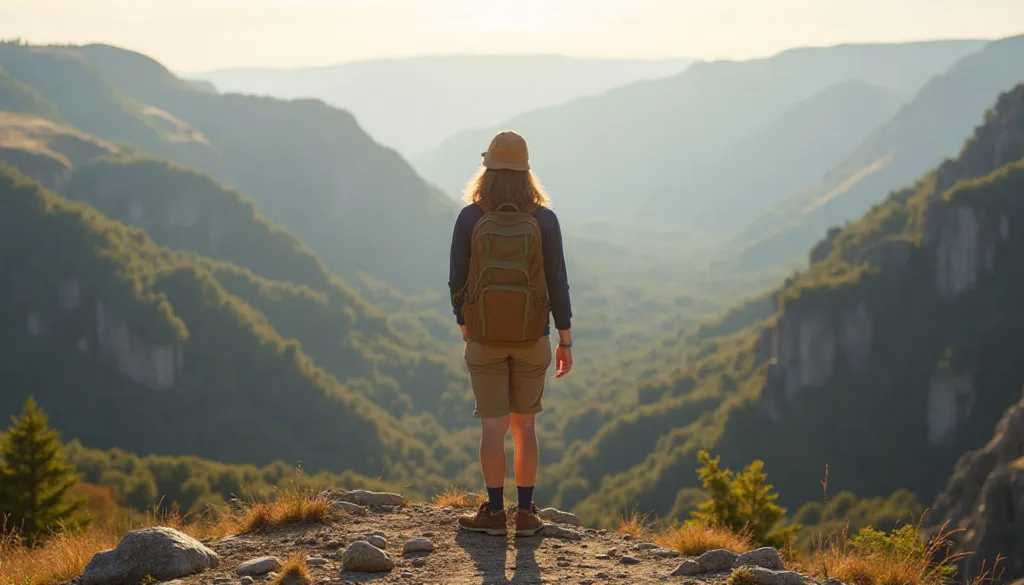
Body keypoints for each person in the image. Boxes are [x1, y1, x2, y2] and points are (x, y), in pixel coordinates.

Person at [449, 130, 573, 537]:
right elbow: (558, 283)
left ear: (486, 171)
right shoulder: (545, 220)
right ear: (527, 172)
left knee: (492, 427)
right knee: (525, 427)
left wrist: (465, 322)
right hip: (532, 337)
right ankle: (525, 514)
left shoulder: (471, 218)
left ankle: (494, 515)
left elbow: (456, 280)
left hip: (483, 338)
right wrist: (565, 339)